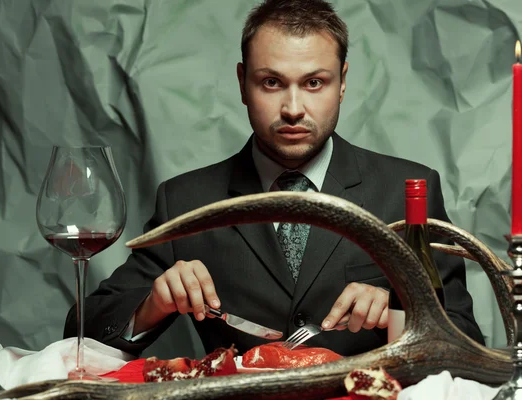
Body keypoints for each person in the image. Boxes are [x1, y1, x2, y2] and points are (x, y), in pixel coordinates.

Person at [64, 0, 484, 357]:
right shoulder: (186, 200)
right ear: (242, 84)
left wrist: (404, 313)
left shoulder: (406, 190)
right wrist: (152, 305)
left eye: (315, 82)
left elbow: (467, 339)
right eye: (271, 82)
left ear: (342, 84)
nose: (293, 108)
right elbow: (81, 333)